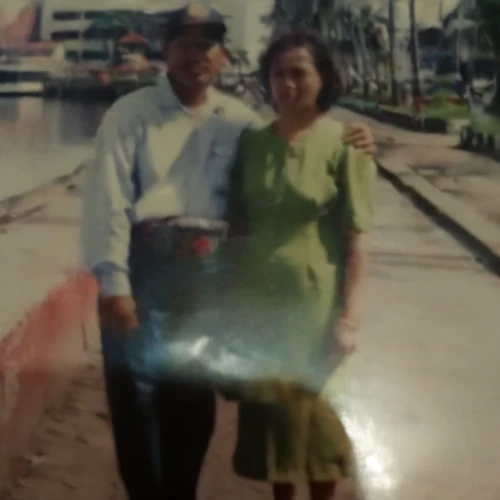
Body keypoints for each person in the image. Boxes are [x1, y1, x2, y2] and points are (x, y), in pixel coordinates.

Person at [82, 3, 376, 500]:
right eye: (184, 43)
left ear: (223, 57)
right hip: (146, 270)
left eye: (207, 44)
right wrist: (115, 285)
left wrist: (358, 137)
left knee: (194, 407)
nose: (196, 54)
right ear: (165, 50)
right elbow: (107, 202)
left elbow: (290, 150)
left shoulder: (241, 122)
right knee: (138, 404)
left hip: (208, 277)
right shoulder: (129, 115)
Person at [222, 30, 377, 500]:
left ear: (322, 78)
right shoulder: (251, 145)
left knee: (318, 424)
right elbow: (237, 227)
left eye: (298, 72)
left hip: (314, 304)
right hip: (257, 300)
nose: (287, 83)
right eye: (277, 73)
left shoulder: (346, 144)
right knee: (274, 424)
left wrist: (348, 318)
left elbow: (355, 243)